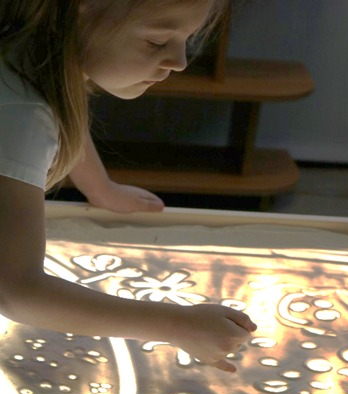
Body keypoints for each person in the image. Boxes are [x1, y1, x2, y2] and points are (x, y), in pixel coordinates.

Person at [0, 0, 257, 373]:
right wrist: (178, 326)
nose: (180, 62)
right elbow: (16, 290)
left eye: (188, 40)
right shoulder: (19, 112)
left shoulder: (29, 52)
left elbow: (60, 108)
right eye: (157, 42)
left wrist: (100, 188)